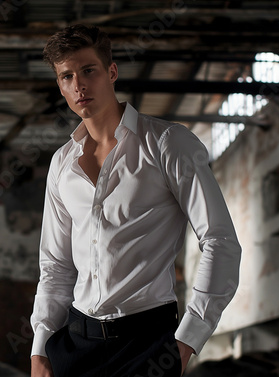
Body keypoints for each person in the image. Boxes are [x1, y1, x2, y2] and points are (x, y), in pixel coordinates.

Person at [30, 24, 242, 377]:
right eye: (67, 76)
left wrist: (187, 340)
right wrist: (40, 349)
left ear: (111, 72)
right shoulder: (61, 164)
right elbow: (56, 266)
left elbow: (220, 241)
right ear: (60, 86)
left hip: (146, 344)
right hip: (74, 344)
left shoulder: (167, 143)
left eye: (88, 70)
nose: (79, 85)